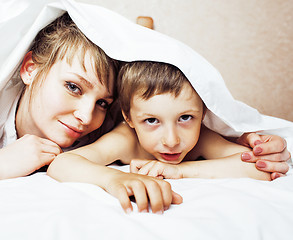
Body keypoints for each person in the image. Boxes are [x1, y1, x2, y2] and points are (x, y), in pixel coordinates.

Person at [48, 61, 291, 212]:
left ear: (203, 114)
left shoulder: (201, 138)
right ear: (130, 119)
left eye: (185, 118)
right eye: (151, 121)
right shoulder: (126, 139)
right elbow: (62, 163)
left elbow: (259, 167)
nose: (172, 140)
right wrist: (114, 179)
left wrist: (181, 171)